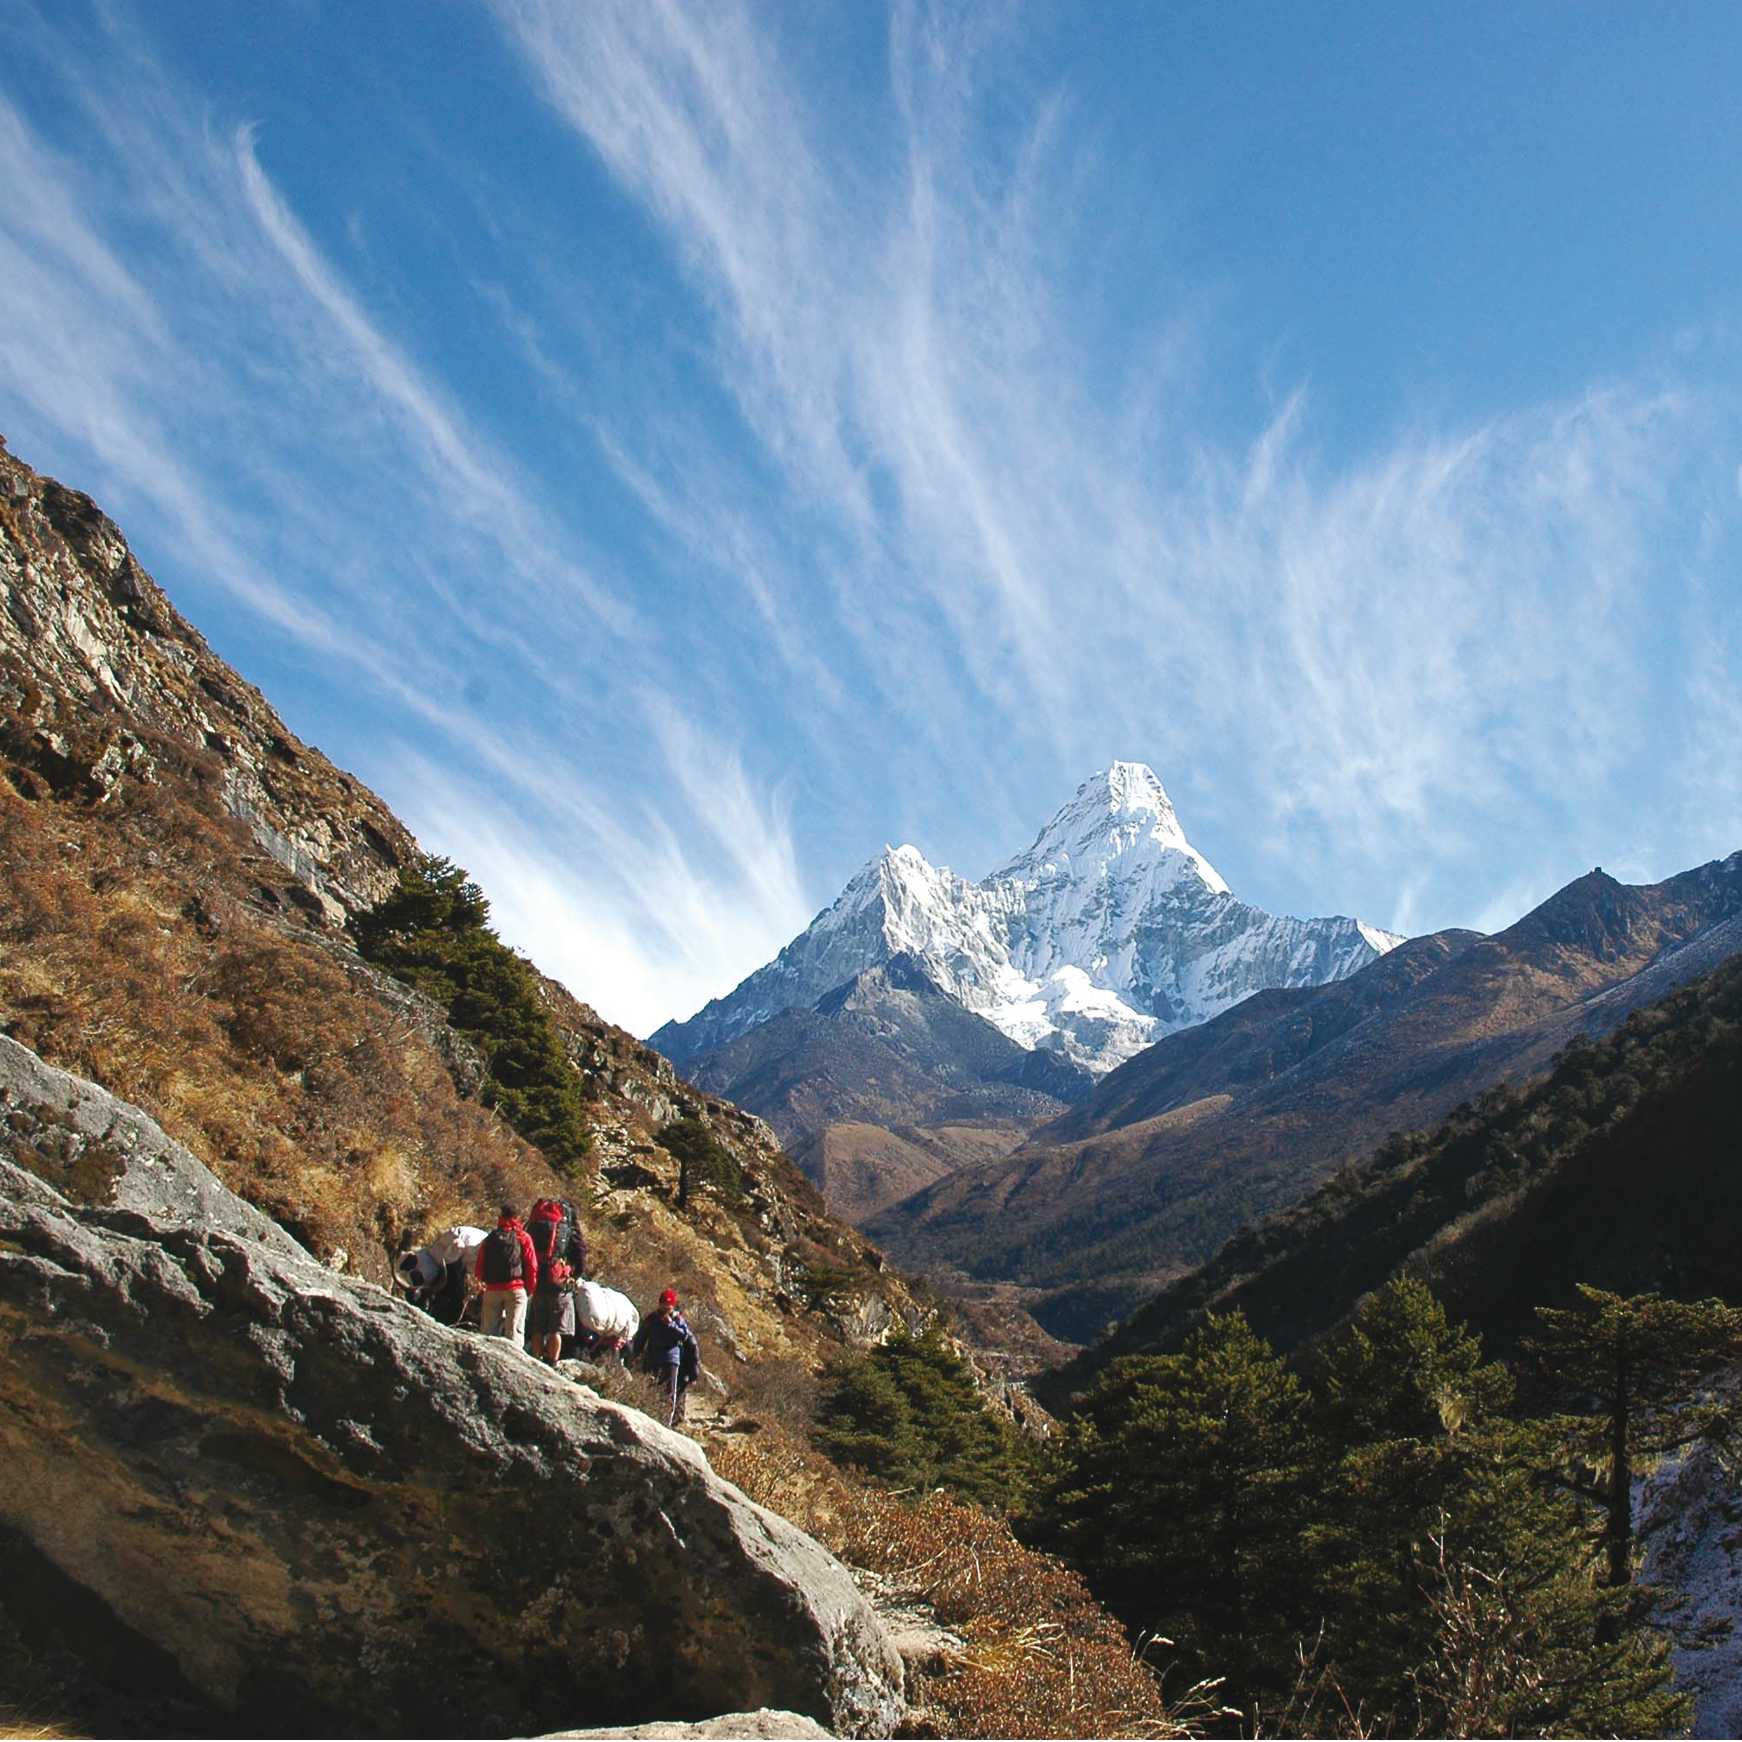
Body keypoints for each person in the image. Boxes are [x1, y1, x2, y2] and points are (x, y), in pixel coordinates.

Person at [631, 1288, 700, 1426]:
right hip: (652, 1358)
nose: (665, 1309)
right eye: (663, 1305)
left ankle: (666, 1421)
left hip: (671, 1361)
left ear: (672, 1306)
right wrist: (634, 1355)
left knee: (669, 1393)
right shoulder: (652, 1318)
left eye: (668, 1306)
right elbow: (641, 1337)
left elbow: (684, 1336)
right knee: (649, 1388)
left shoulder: (678, 1319)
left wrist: (670, 1324)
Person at [395, 1224, 487, 1326]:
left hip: (443, 1256)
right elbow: (457, 1247)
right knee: (424, 1277)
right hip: (442, 1255)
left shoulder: (486, 1251)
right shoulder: (473, 1244)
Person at [473, 1203, 537, 1344]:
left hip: (492, 1289)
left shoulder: (491, 1237)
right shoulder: (523, 1237)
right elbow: (532, 1266)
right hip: (515, 1289)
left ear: (500, 1217)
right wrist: (529, 1289)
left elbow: (479, 1266)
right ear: (518, 1217)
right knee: (514, 1331)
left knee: (488, 1332)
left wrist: (482, 1283)